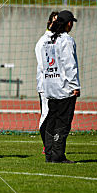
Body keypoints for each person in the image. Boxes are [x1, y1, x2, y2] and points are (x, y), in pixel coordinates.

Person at [41, 10, 81, 163]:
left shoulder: (48, 40)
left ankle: (50, 154)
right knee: (63, 123)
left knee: (51, 121)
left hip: (51, 87)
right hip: (65, 88)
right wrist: (75, 85)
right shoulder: (67, 40)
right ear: (68, 23)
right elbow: (70, 65)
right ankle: (58, 155)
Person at [35, 11, 58, 154]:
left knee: (57, 115)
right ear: (49, 23)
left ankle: (54, 144)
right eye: (55, 21)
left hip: (59, 85)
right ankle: (46, 145)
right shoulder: (43, 41)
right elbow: (44, 65)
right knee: (46, 114)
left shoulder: (61, 39)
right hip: (45, 85)